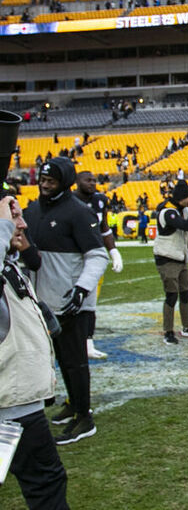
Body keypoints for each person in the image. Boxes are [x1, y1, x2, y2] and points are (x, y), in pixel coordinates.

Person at [23, 157, 109, 445]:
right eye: (43, 180)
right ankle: (73, 403)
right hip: (44, 300)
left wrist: (82, 289)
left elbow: (97, 255)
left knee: (75, 362)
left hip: (71, 301)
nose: (45, 185)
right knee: (60, 358)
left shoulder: (79, 212)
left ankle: (85, 417)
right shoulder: (33, 209)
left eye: (52, 181)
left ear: (65, 183)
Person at [0, 194, 72, 509]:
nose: (22, 223)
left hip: (15, 401)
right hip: (11, 406)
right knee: (46, 485)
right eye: (13, 215)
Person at [73, 171, 124, 360]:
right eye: (88, 180)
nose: (92, 183)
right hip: (72, 257)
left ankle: (88, 344)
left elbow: (104, 228)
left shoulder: (100, 200)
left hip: (93, 256)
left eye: (94, 180)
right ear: (77, 182)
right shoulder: (69, 201)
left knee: (90, 304)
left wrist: (113, 252)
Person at [153, 180, 188, 345]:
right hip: (167, 257)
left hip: (180, 257)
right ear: (182, 197)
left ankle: (187, 325)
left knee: (186, 292)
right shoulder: (167, 212)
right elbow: (186, 226)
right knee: (172, 295)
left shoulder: (182, 209)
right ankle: (168, 331)